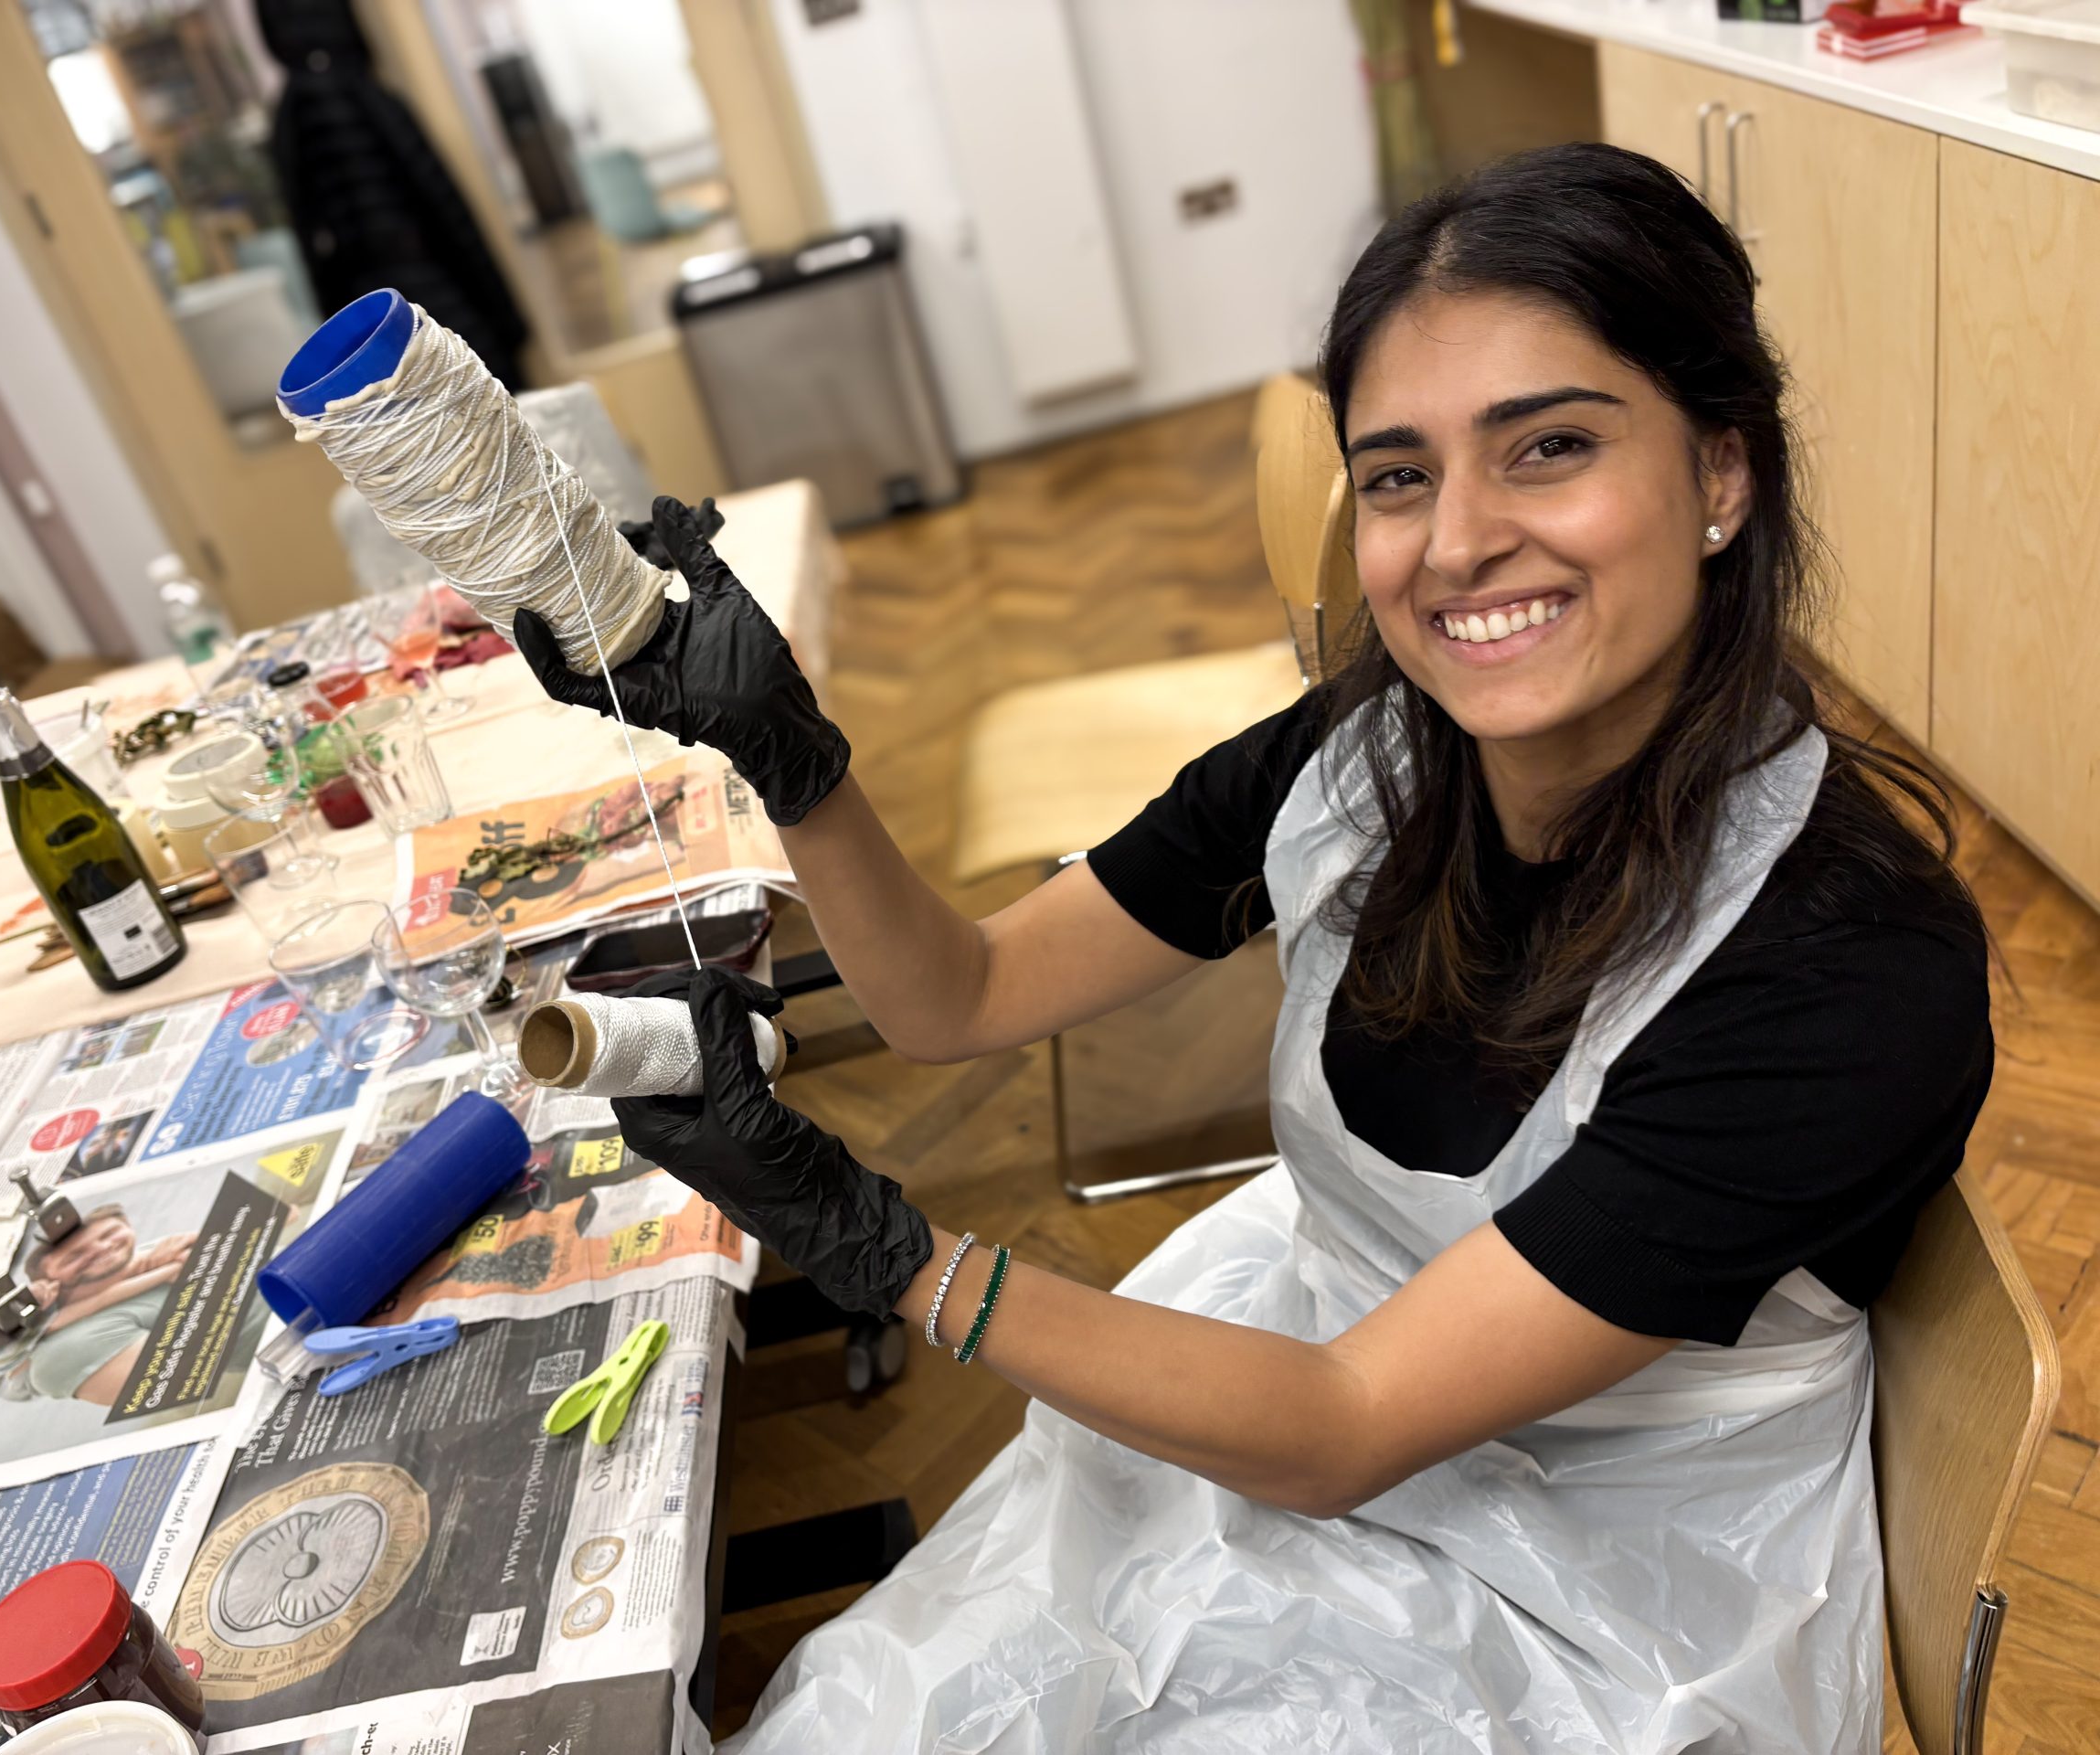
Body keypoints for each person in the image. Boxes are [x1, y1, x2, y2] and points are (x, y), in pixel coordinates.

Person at [517, 143, 1992, 1751]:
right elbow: (969, 996)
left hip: (1622, 1595)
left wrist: (897, 1260)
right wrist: (798, 769)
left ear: (1722, 477)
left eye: (1549, 447)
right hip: (1315, 1391)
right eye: (1399, 476)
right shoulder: (1362, 764)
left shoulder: (1848, 972)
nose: (1457, 544)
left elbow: (1348, 1429)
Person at [0, 1207, 196, 1408]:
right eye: (74, 1257)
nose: (101, 1249)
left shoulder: (154, 1252)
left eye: (109, 1234)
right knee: (18, 1381)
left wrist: (158, 1264)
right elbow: (96, 1302)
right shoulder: (58, 1338)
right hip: (21, 1368)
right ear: (55, 1285)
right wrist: (169, 1270)